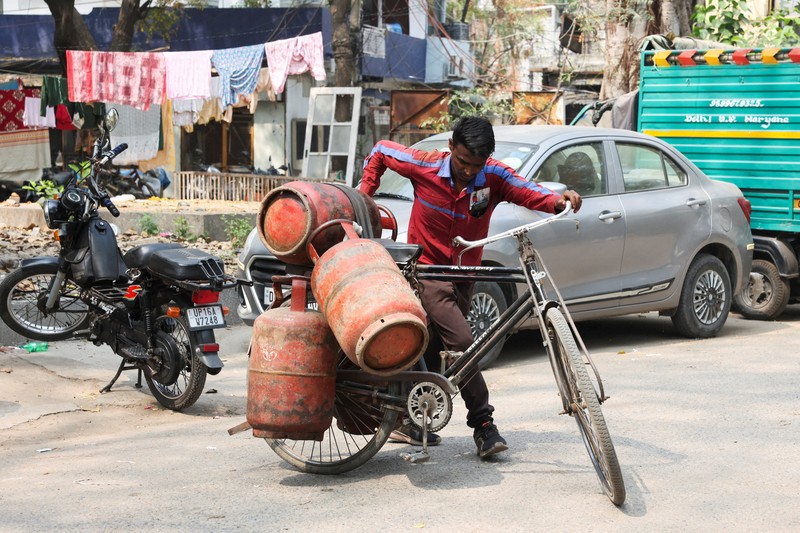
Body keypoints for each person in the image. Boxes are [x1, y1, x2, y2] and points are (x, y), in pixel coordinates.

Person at [359, 116, 582, 459]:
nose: (468, 172)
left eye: (476, 166)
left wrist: (558, 201)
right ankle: (483, 425)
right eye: (463, 162)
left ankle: (406, 416)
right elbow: (380, 150)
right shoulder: (425, 165)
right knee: (463, 344)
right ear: (451, 148)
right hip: (430, 271)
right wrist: (364, 198)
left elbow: (527, 189)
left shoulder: (492, 175)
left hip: (466, 271)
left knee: (436, 346)